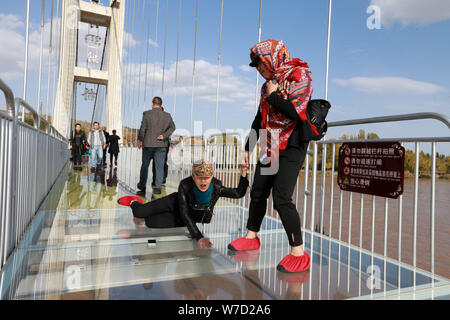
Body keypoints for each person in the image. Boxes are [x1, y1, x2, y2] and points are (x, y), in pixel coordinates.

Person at [227, 39, 314, 274]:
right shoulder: (266, 85)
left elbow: (296, 112)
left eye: (261, 66)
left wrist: (274, 95)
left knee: (282, 197)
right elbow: (259, 120)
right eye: (257, 68)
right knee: (258, 192)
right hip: (271, 143)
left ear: (272, 59)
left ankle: (299, 253)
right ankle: (251, 237)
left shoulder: (300, 74)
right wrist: (247, 148)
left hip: (293, 143)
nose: (260, 71)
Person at [117, 160, 249, 248]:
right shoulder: (185, 185)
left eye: (207, 178)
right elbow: (185, 211)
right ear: (193, 177)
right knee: (139, 213)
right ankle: (134, 201)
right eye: (199, 178)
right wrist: (198, 237)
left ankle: (144, 223)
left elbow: (238, 193)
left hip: (184, 217)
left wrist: (243, 174)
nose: (203, 182)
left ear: (212, 177)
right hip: (174, 203)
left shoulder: (217, 187)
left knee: (151, 223)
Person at [137, 96, 175, 195]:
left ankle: (142, 185)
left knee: (145, 165)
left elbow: (142, 129)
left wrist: (140, 140)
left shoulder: (146, 114)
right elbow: (173, 127)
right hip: (161, 144)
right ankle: (157, 187)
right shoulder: (167, 115)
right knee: (159, 167)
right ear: (161, 105)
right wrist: (164, 135)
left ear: (152, 104)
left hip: (148, 144)